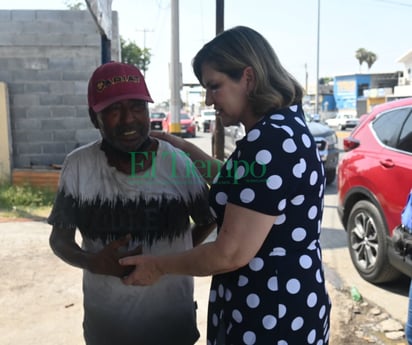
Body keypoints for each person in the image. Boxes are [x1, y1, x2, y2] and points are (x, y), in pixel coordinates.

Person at [120, 26, 332, 344]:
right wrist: (183, 147)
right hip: (288, 301)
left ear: (248, 78)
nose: (207, 100)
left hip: (270, 315)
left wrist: (158, 266)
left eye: (214, 86)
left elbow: (229, 253)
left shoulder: (269, 141)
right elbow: (247, 187)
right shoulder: (284, 127)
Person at [48, 61, 216, 345]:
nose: (129, 120)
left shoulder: (175, 161)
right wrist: (93, 262)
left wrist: (168, 261)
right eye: (114, 110)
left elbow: (208, 218)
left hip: (172, 326)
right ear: (94, 117)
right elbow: (59, 240)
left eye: (137, 107)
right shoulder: (78, 166)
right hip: (107, 329)